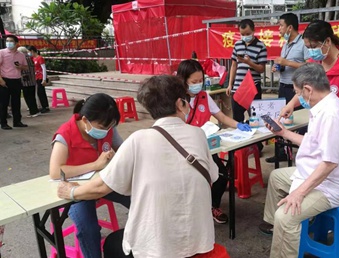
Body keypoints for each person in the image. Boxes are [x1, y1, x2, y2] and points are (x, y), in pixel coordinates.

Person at [58, 76, 220, 258]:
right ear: (181, 103)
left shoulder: (138, 139)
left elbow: (101, 187)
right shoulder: (198, 134)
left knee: (112, 244)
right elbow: (213, 176)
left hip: (157, 249)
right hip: (199, 241)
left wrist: (70, 192)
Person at [259, 63, 339, 257]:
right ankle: (275, 228)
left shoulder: (331, 115)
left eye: (298, 93)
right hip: (312, 172)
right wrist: (284, 132)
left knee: (285, 217)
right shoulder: (322, 106)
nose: (299, 98)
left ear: (308, 89)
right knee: (277, 177)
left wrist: (299, 193)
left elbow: (329, 164)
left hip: (330, 185)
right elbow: (311, 143)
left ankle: (284, 234)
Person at [49, 93, 130, 258]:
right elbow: (56, 171)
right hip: (73, 189)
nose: (107, 131)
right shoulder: (65, 134)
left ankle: (142, 245)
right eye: (102, 127)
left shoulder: (107, 128)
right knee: (89, 228)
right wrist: (95, 165)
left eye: (111, 126)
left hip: (101, 183)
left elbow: (124, 151)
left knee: (139, 198)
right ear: (85, 120)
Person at [177, 59, 251, 224]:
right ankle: (191, 210)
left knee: (221, 174)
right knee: (193, 180)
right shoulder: (176, 101)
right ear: (183, 80)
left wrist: (239, 125)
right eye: (194, 82)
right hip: (185, 150)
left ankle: (213, 206)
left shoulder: (204, 96)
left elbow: (222, 117)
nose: (198, 84)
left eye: (200, 81)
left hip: (207, 146)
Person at [280, 20, 339, 156]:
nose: (311, 51)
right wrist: (291, 104)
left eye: (313, 46)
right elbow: (304, 89)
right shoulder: (315, 63)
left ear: (327, 42)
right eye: (308, 47)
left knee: (337, 167)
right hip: (321, 126)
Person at [266, 13, 310, 163]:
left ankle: (299, 153)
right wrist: (278, 67)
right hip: (283, 85)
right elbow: (285, 64)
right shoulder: (285, 44)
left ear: (290, 27)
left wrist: (288, 62)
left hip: (296, 89)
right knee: (281, 119)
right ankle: (281, 153)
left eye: (281, 25)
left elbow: (310, 65)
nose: (279, 29)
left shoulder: (304, 43)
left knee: (295, 121)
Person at [226, 19, 267, 123]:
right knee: (237, 119)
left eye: (248, 34)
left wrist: (249, 63)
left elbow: (261, 69)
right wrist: (230, 84)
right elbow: (233, 65)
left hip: (252, 88)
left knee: (255, 119)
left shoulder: (261, 46)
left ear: (254, 31)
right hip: (238, 88)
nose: (245, 36)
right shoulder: (237, 44)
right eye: (242, 34)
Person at [0, 35, 28, 129]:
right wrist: (1, 80)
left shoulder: (21, 55)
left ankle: (17, 121)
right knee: (4, 103)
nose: (8, 43)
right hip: (5, 80)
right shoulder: (2, 53)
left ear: (16, 43)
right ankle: (3, 123)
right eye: (7, 41)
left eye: (11, 41)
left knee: (16, 102)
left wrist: (20, 67)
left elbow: (26, 67)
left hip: (16, 80)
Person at [17, 46, 40, 117]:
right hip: (32, 79)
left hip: (26, 80)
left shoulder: (24, 59)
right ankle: (34, 110)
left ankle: (33, 111)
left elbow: (25, 69)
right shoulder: (29, 58)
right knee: (31, 96)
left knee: (28, 96)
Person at [27, 45, 50, 113]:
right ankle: (43, 106)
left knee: (41, 92)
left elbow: (44, 68)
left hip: (41, 77)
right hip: (36, 77)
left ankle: (45, 106)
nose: (29, 53)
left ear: (32, 51)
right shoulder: (33, 59)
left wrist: (44, 79)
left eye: (29, 52)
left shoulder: (40, 58)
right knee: (39, 93)